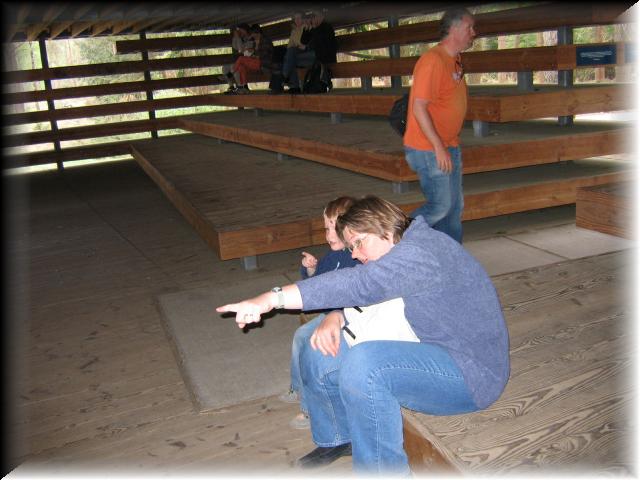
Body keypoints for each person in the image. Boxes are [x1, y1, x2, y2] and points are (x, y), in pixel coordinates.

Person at [217, 195, 510, 475]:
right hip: (429, 348)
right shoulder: (407, 245)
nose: (355, 254)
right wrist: (337, 314)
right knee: (319, 349)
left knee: (366, 365)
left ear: (384, 229)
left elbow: (361, 284)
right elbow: (373, 294)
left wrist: (271, 299)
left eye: (358, 243)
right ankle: (340, 437)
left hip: (470, 375)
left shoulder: (420, 253)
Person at [279, 196, 360, 430]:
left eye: (336, 228)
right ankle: (297, 386)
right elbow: (316, 286)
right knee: (301, 336)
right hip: (330, 315)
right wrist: (311, 270)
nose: (330, 235)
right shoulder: (332, 257)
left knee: (311, 343)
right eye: (326, 228)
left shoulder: (358, 259)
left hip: (350, 319)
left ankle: (309, 410)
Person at [403, 7, 476, 243]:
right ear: (454, 28)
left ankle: (451, 257)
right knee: (440, 206)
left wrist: (445, 145)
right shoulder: (432, 61)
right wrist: (438, 146)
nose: (474, 33)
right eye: (470, 28)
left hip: (448, 144)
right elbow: (419, 107)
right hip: (428, 148)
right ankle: (395, 237)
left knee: (454, 209)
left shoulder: (454, 60)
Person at [282, 10, 337, 94]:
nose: (314, 19)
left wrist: (307, 46)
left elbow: (320, 44)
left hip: (322, 57)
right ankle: (293, 85)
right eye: (313, 17)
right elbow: (304, 41)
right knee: (291, 58)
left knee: (291, 59)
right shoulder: (312, 28)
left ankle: (287, 79)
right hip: (312, 55)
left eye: (315, 16)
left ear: (322, 17)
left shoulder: (326, 27)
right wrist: (307, 28)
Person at [227, 24, 274, 94]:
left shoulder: (265, 40)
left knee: (241, 59)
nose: (252, 35)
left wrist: (255, 52)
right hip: (257, 62)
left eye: (253, 33)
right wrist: (252, 52)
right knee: (241, 66)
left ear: (257, 32)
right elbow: (255, 53)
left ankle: (230, 74)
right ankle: (245, 87)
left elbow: (265, 53)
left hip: (264, 62)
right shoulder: (255, 41)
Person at [219, 23, 254, 94]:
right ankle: (231, 86)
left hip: (248, 62)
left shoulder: (250, 39)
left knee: (234, 67)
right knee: (225, 67)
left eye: (241, 30)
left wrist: (238, 38)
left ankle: (240, 87)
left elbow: (241, 50)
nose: (239, 32)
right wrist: (235, 38)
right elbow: (235, 47)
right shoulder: (241, 38)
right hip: (240, 60)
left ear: (245, 30)